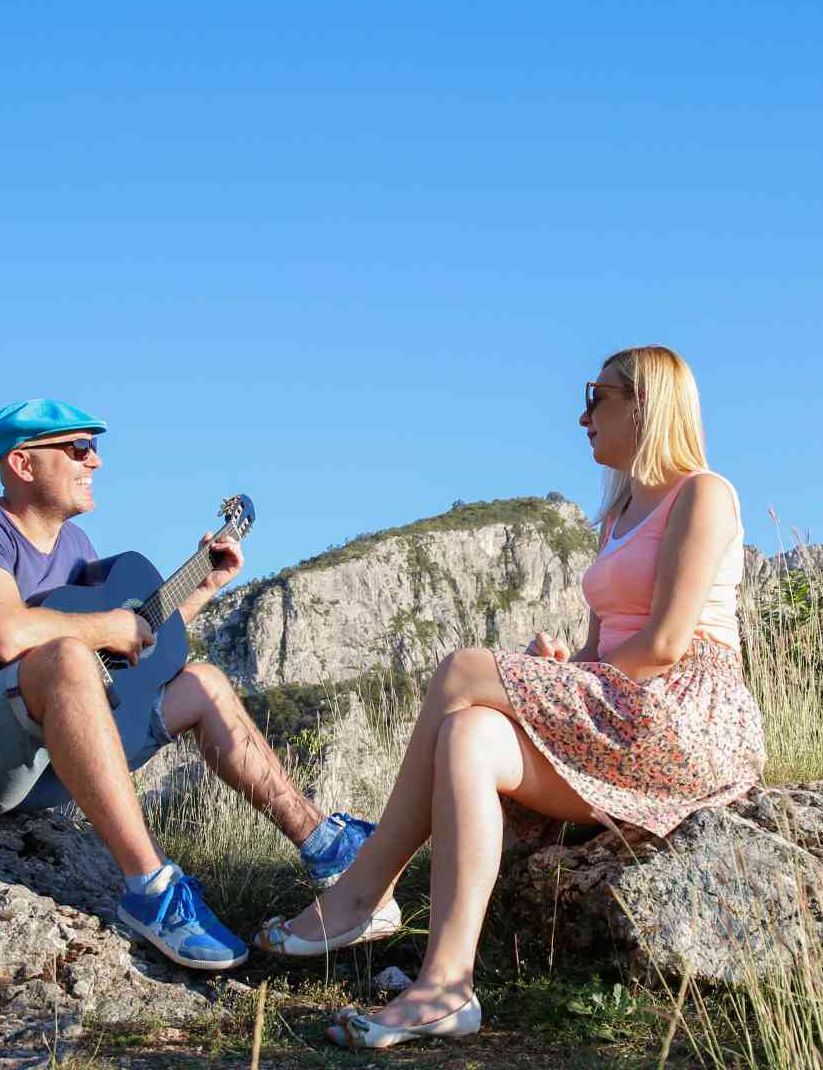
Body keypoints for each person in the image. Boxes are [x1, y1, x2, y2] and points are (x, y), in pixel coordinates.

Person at [253, 347, 764, 1048]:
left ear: (646, 404)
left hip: (686, 712)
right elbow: (604, 649)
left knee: (463, 670)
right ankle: (446, 986)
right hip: (625, 708)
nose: (582, 415)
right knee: (466, 735)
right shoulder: (616, 517)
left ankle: (360, 894)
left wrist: (567, 683)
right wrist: (565, 669)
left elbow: (668, 644)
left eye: (598, 396)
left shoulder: (703, 493)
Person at [0, 398, 376, 971]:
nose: (94, 461)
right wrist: (107, 626)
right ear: (23, 464)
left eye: (94, 448)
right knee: (67, 656)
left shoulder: (77, 549)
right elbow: (4, 634)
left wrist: (202, 588)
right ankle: (150, 889)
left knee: (203, 682)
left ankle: (324, 844)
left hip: (40, 762)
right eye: (78, 448)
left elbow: (128, 651)